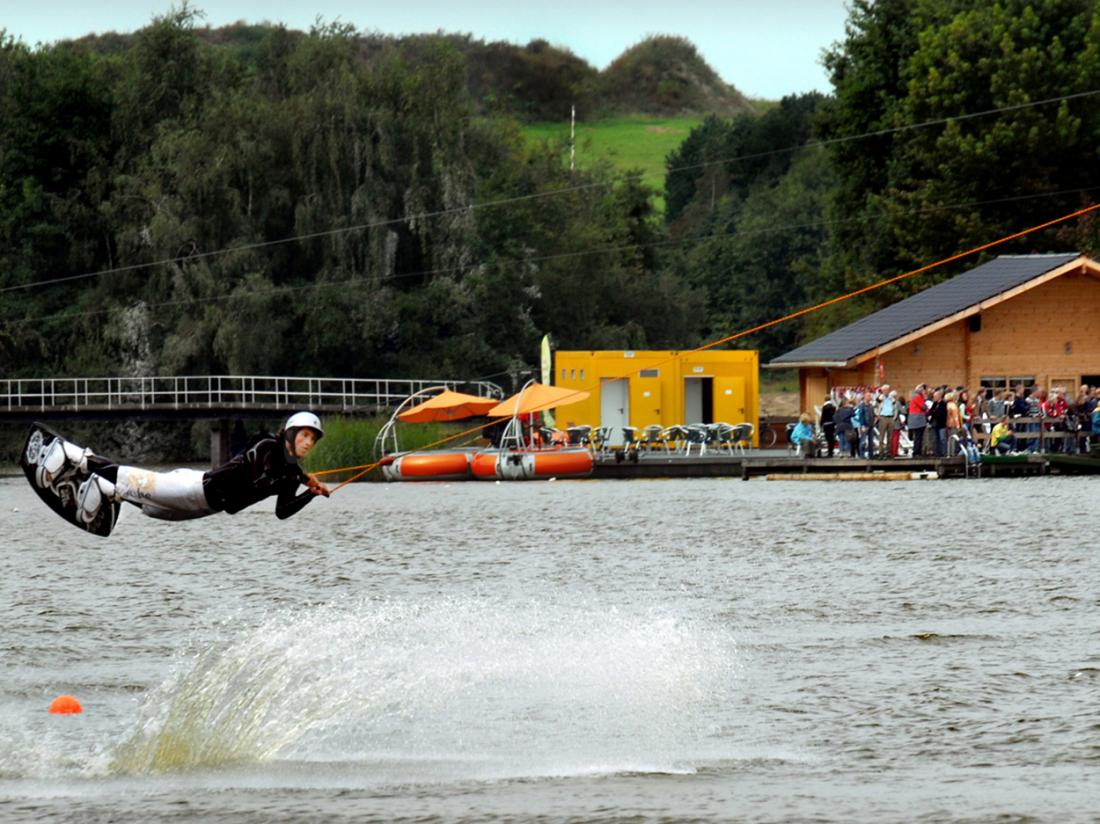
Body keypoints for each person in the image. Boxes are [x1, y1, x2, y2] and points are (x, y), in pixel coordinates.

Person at [37, 412, 330, 525]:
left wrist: (310, 493)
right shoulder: (267, 445)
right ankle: (73, 455)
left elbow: (283, 511)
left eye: (312, 440)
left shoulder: (289, 473)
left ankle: (105, 491)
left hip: (204, 508)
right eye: (303, 435)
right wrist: (299, 478)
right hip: (192, 488)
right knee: (132, 478)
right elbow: (259, 476)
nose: (307, 443)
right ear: (289, 432)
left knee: (150, 508)